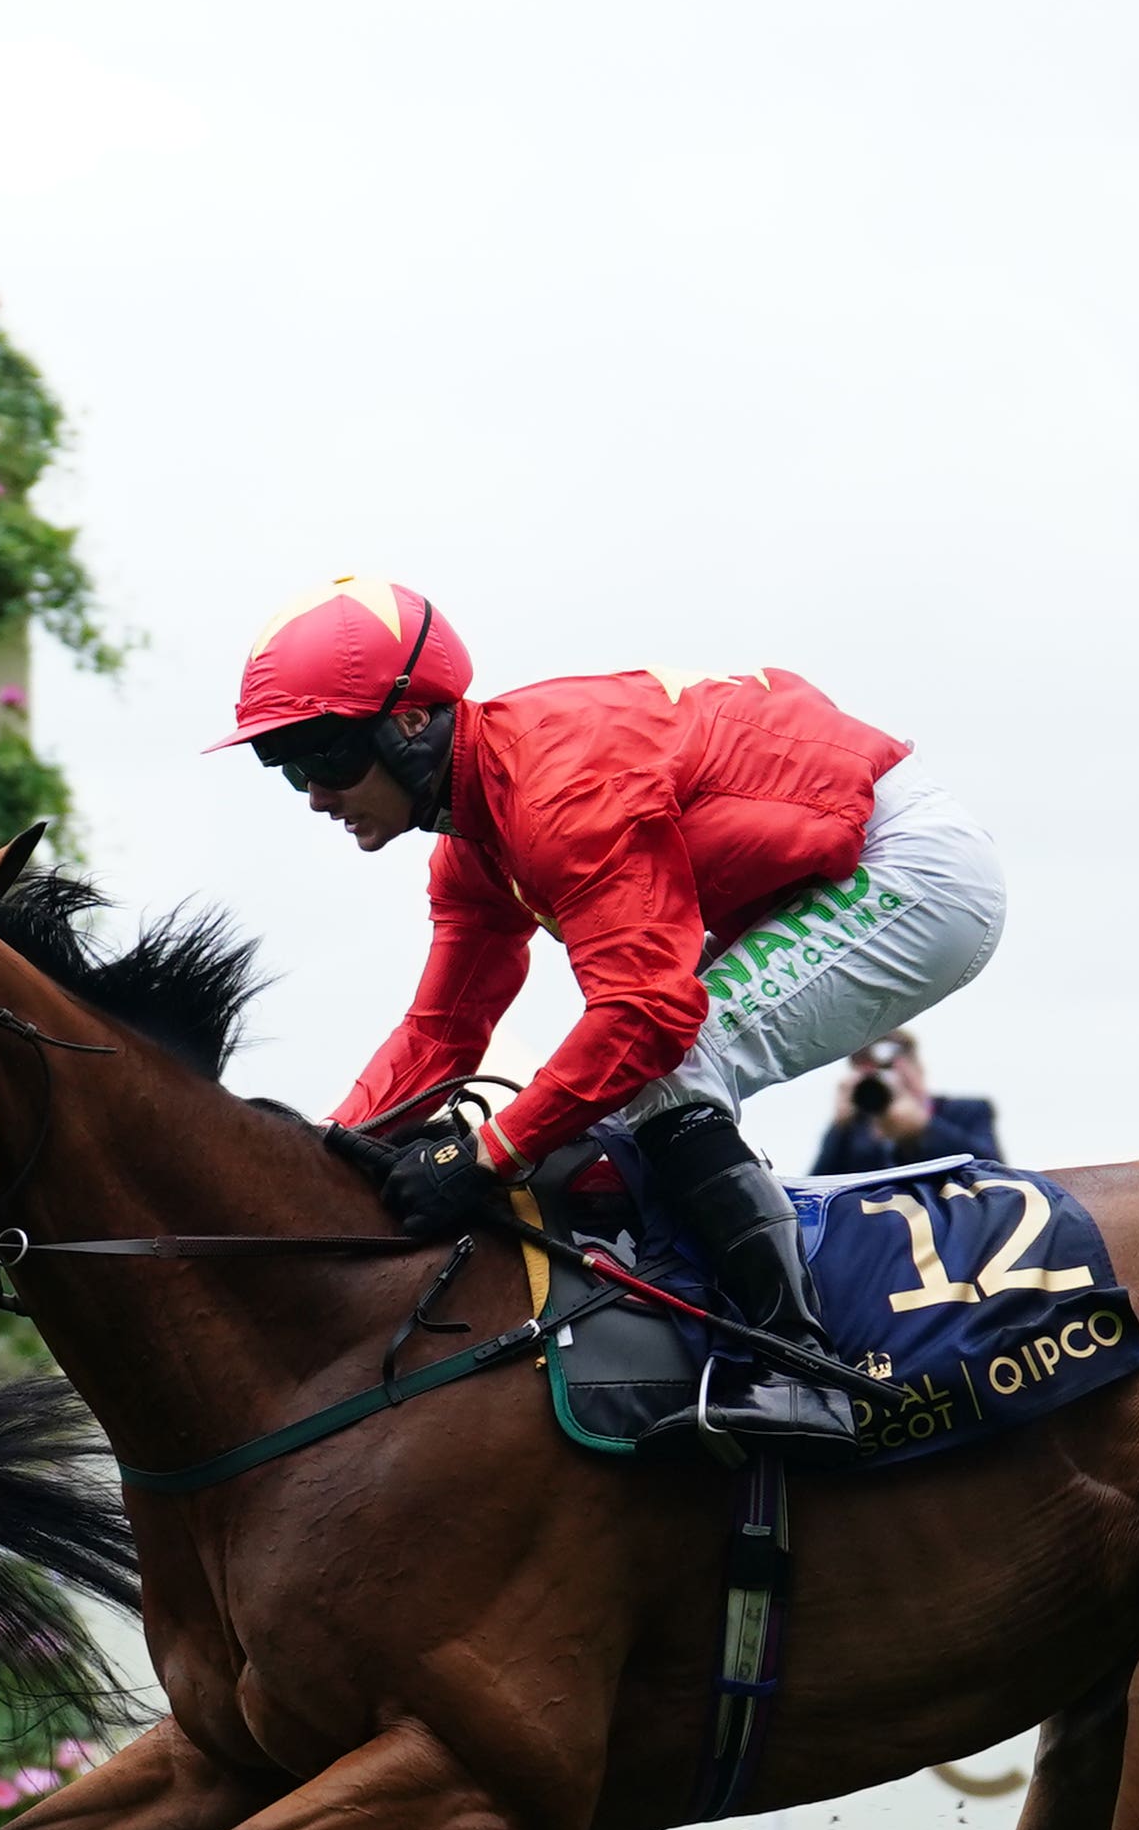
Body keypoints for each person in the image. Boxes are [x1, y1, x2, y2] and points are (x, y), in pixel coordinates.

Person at [220, 574, 1004, 1446]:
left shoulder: (556, 791)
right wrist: (326, 1156)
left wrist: (489, 1150)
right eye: (284, 766)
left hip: (909, 870)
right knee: (639, 1087)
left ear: (412, 722)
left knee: (672, 1062)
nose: (314, 793)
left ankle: (803, 1371)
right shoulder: (474, 843)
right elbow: (442, 1034)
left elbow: (647, 1015)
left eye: (324, 755)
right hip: (822, 875)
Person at [807, 1031, 1000, 1178]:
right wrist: (841, 1128)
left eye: (890, 1069)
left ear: (918, 1068)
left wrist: (923, 1128)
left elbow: (995, 1174)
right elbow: (819, 1187)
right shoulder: (852, 1130)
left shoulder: (967, 1111)